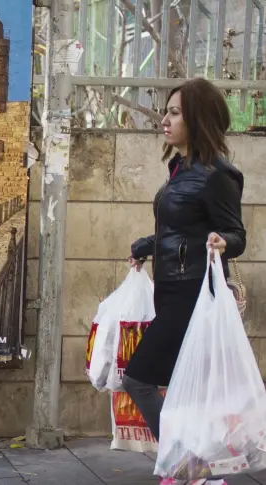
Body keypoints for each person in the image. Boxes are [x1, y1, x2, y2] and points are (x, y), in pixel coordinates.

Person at [122, 78, 246, 485]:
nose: (165, 120)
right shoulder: (179, 170)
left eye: (175, 112)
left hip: (194, 292)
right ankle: (198, 470)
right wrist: (146, 245)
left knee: (137, 379)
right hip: (171, 288)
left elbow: (236, 235)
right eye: (166, 111)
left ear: (197, 119)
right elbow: (177, 229)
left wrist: (222, 240)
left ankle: (189, 465)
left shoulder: (217, 175)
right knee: (181, 387)